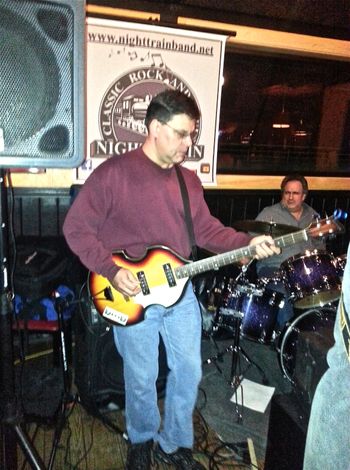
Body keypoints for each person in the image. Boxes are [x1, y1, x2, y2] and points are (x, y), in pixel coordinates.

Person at [63, 89, 280, 470]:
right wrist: (113, 271)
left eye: (191, 134)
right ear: (155, 128)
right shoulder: (114, 174)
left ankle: (174, 442)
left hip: (181, 293)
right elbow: (76, 228)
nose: (188, 143)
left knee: (190, 370)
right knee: (142, 375)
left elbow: (208, 231)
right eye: (181, 134)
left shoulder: (188, 181)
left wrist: (248, 242)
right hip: (131, 295)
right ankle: (142, 439)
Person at [254, 174, 325, 329]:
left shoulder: (313, 216)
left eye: (295, 193)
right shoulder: (269, 214)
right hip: (274, 268)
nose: (291, 197)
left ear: (304, 196)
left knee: (328, 288)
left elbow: (321, 248)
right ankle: (286, 337)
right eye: (287, 193)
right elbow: (251, 243)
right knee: (282, 292)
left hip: (305, 269)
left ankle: (318, 334)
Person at [303, 241, 350, 470]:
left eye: (295, 198)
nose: (290, 200)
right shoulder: (269, 213)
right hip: (279, 277)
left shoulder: (311, 219)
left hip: (313, 281)